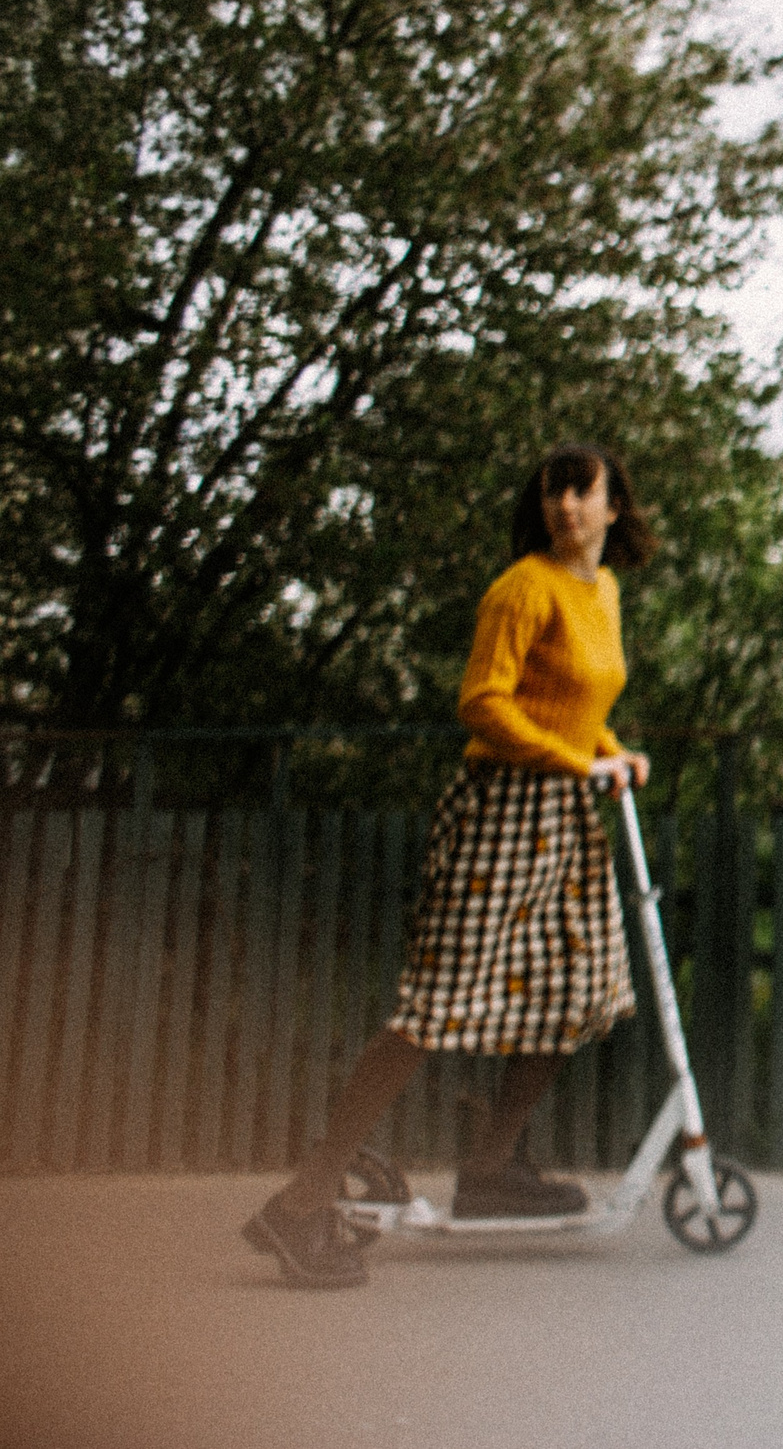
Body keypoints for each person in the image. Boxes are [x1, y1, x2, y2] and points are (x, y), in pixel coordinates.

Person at [242, 444, 657, 1287]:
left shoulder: (602, 589)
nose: (566, 505)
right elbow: (484, 702)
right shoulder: (521, 588)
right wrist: (579, 763)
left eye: (583, 491)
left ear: (615, 508)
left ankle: (492, 1168)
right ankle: (301, 1201)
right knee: (433, 1009)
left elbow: (576, 703)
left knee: (574, 994)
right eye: (553, 490)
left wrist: (613, 750)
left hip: (566, 817)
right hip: (503, 812)